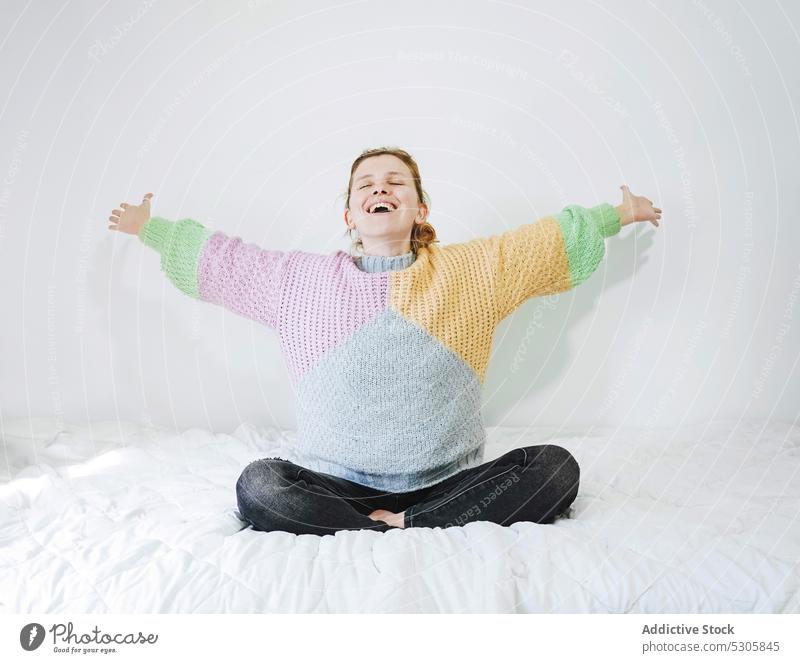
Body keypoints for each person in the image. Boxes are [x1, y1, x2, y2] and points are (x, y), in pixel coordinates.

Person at [108, 147, 662, 536]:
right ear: (350, 214)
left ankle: (411, 522)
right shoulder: (298, 281)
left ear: (420, 208)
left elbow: (544, 242)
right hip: (336, 485)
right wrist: (151, 229)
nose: (381, 187)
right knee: (260, 486)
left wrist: (619, 213)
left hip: (450, 483)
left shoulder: (473, 271)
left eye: (396, 181)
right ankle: (382, 525)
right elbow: (225, 260)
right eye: (366, 183)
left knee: (556, 467)